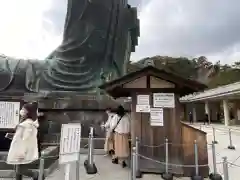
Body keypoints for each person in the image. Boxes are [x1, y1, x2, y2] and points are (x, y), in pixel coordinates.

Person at [6, 102, 42, 180]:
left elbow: (26, 139)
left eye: (23, 109)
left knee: (20, 169)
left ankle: (36, 175)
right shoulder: (26, 123)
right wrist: (12, 136)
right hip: (19, 149)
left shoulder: (27, 124)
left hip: (21, 150)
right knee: (17, 169)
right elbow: (21, 136)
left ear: (28, 112)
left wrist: (21, 152)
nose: (21, 111)